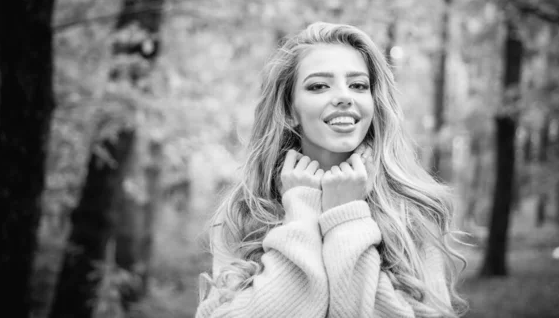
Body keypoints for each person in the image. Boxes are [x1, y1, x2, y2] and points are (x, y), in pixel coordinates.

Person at [195, 22, 467, 318]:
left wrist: (346, 215)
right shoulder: (244, 213)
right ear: (289, 109)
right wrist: (301, 211)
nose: (344, 96)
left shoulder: (412, 209)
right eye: (319, 86)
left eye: (359, 85)